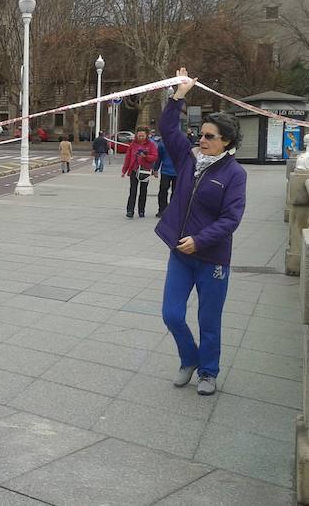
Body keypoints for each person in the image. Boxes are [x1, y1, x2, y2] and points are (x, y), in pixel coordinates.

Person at [155, 68, 247, 396]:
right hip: (180, 254)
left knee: (209, 322)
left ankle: (208, 372)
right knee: (171, 314)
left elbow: (231, 218)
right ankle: (189, 359)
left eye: (210, 137)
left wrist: (200, 240)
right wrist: (179, 94)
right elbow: (167, 127)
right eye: (201, 134)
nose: (201, 140)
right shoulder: (188, 160)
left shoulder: (234, 174)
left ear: (227, 142)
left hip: (212, 259)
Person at [120, 126, 158, 218]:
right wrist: (124, 170)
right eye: (139, 136)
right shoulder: (133, 144)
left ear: (146, 135)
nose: (140, 137)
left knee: (143, 191)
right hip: (134, 170)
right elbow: (128, 158)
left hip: (145, 171)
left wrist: (145, 156)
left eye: (142, 136)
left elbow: (154, 157)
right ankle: (130, 211)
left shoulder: (151, 145)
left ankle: (141, 210)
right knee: (132, 191)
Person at [152, 133, 177, 217]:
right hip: (165, 171)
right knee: (163, 190)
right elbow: (159, 157)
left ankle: (173, 210)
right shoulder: (162, 144)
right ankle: (162, 210)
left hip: (178, 171)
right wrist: (156, 169)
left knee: (176, 192)